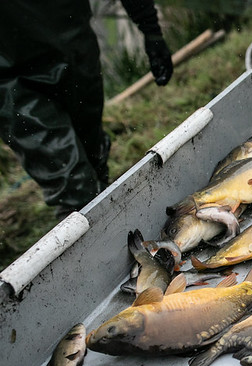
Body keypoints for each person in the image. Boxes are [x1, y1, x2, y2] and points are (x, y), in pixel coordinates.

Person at [0, 0, 173, 217]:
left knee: (94, 157)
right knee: (74, 187)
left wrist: (151, 30)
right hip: (13, 83)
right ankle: (91, 242)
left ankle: (115, 231)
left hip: (75, 50)